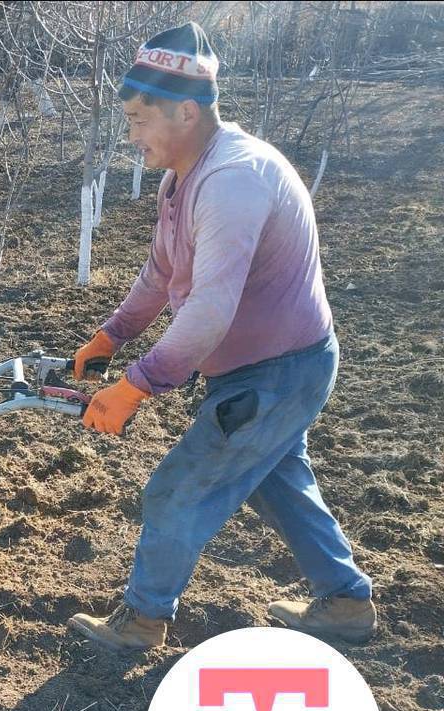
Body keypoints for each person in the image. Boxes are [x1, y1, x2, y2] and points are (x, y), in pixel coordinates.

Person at [65, 22, 375, 651]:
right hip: (268, 370)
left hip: (278, 371)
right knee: (278, 479)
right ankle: (346, 602)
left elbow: (208, 311)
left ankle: (142, 620)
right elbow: (162, 272)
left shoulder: (234, 179)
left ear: (185, 109)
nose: (131, 135)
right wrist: (112, 335)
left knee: (178, 487)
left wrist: (137, 386)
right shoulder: (182, 176)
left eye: (137, 120)